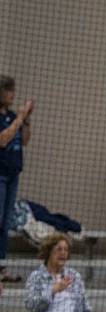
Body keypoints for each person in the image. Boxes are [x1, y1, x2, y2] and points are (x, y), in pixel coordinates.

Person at [0, 76, 35, 283]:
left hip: (13, 175)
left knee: (5, 224)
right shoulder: (11, 118)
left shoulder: (13, 116)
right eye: (8, 89)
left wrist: (26, 119)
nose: (13, 93)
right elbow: (3, 140)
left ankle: (1, 269)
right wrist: (19, 120)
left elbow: (24, 140)